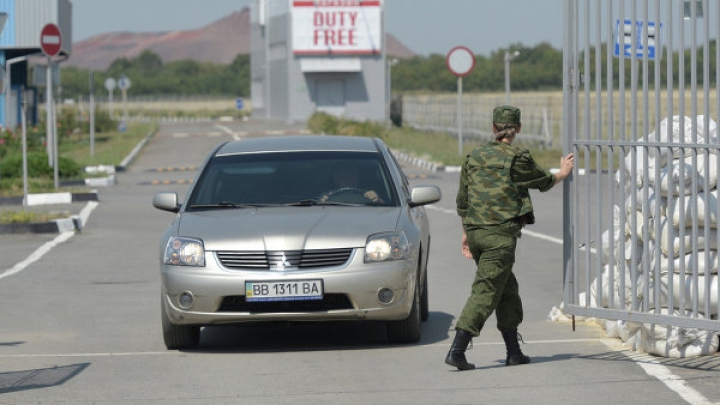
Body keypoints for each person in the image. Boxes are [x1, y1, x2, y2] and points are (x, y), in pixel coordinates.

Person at [445, 105, 575, 370]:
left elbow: (462, 201)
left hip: (476, 232)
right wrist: (563, 171)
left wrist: (465, 235)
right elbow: (543, 181)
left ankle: (513, 352)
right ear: (518, 129)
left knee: (507, 290)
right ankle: (457, 349)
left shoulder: (473, 156)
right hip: (499, 237)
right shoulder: (518, 158)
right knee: (486, 291)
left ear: (493, 127)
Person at [319, 166, 383, 203]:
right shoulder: (326, 196)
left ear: (358, 177)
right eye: (343, 176)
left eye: (352, 175)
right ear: (335, 179)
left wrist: (378, 201)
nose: (349, 179)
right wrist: (321, 204)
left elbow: (387, 211)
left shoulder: (368, 195)